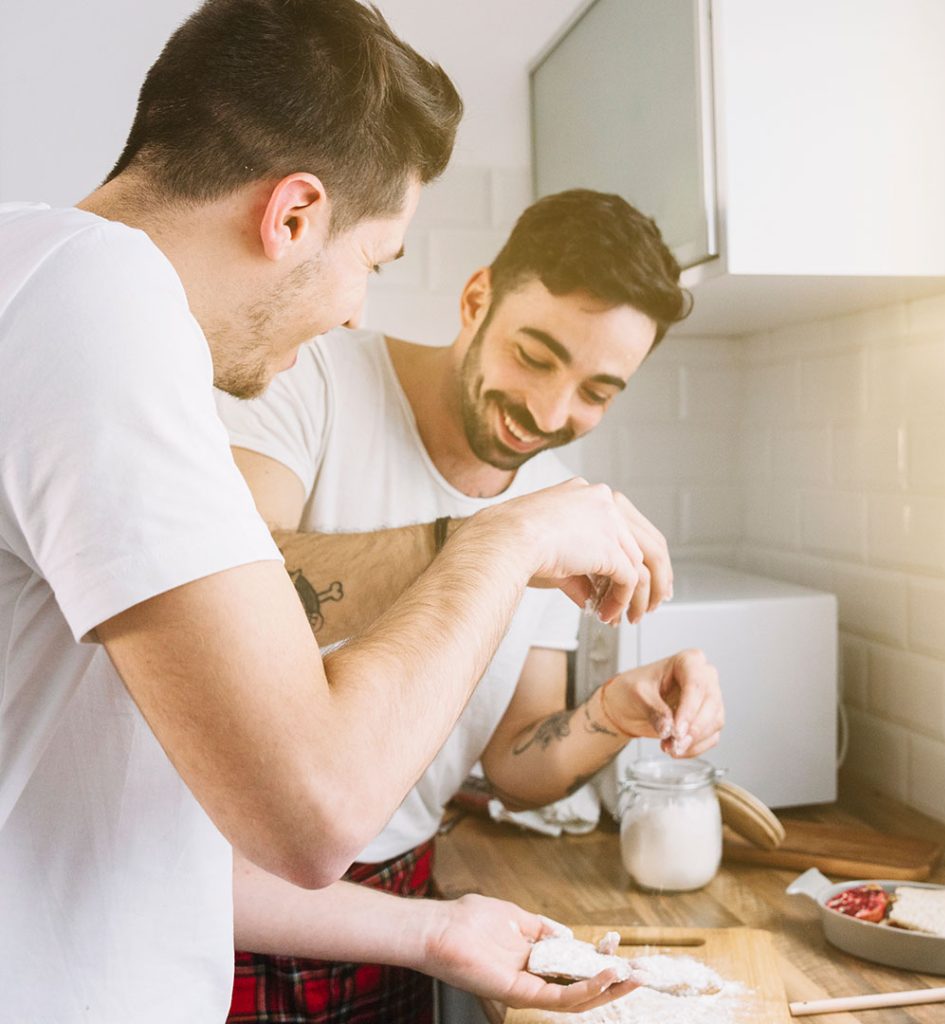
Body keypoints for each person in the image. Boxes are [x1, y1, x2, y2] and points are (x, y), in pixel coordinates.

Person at [0, 3, 682, 1020]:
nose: (358, 308)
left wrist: (433, 932)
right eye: (374, 260)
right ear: (293, 216)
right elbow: (312, 811)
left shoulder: (41, 273)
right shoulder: (104, 305)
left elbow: (146, 833)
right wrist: (510, 535)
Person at [216, 189, 725, 1022]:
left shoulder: (559, 502)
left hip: (399, 904)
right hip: (228, 898)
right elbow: (233, 607)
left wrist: (611, 713)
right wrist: (495, 539)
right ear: (477, 298)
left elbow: (517, 765)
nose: (550, 412)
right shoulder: (310, 378)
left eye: (598, 390)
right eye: (535, 355)